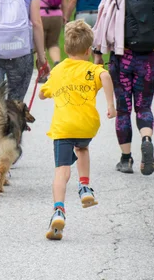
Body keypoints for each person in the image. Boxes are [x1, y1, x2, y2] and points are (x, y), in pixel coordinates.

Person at [39, 20, 116, 240]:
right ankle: (84, 188)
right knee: (82, 149)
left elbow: (43, 93)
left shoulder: (58, 70)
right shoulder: (93, 70)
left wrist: (44, 93)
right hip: (86, 126)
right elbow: (106, 76)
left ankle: (58, 210)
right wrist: (111, 105)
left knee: (61, 171)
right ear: (89, 50)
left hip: (63, 128)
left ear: (66, 49)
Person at [94, 0, 154, 176]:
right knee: (144, 106)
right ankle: (146, 138)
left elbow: (103, 22)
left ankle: (126, 159)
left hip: (122, 58)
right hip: (150, 58)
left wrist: (98, 52)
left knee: (123, 110)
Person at [29, 0, 67, 82]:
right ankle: (57, 65)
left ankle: (43, 74)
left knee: (39, 45)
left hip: (41, 15)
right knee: (53, 43)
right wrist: (65, 15)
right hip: (56, 15)